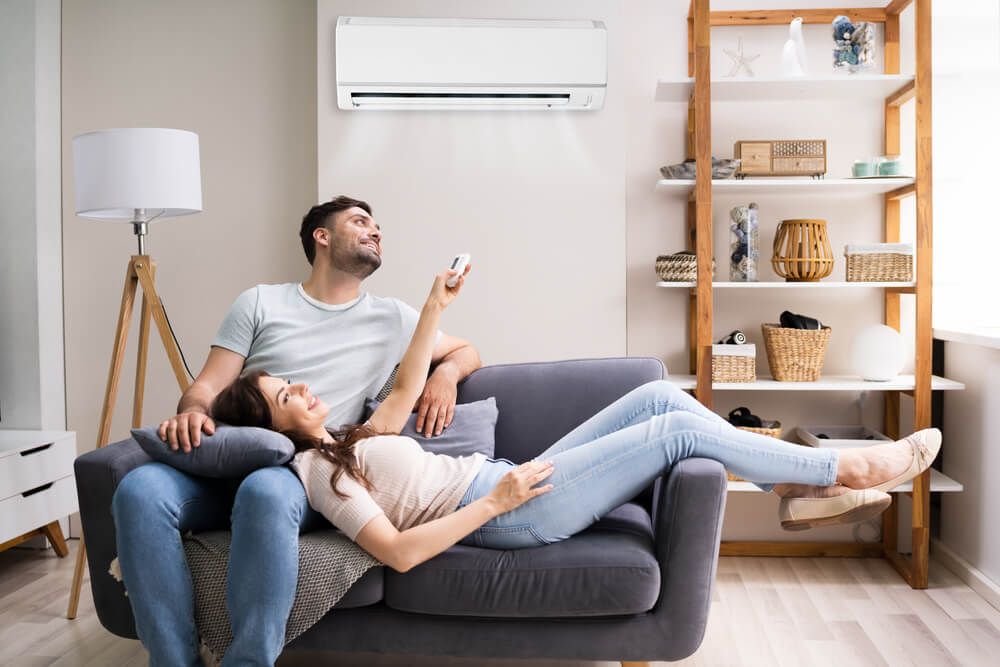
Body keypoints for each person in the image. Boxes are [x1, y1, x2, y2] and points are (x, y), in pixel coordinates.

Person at [211, 266, 942, 571]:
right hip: (505, 511)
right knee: (677, 430)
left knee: (660, 397)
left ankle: (791, 488)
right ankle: (838, 468)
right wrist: (494, 501)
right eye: (286, 395)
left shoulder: (348, 437)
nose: (305, 388)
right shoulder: (314, 472)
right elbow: (398, 552)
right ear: (274, 428)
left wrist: (436, 307)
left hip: (504, 480)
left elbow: (406, 382)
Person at [111, 196, 480, 666]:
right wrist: (193, 410)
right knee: (139, 489)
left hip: (302, 470)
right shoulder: (260, 302)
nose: (376, 231)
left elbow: (466, 350)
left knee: (267, 490)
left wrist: (444, 376)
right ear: (320, 237)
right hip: (231, 455)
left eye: (378, 225)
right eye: (360, 222)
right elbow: (207, 384)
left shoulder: (395, 317)